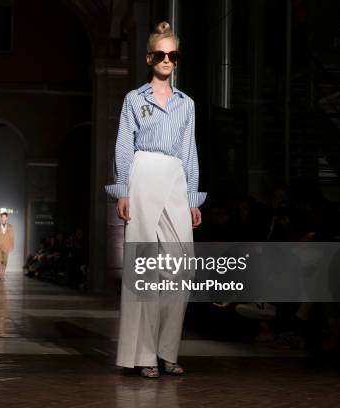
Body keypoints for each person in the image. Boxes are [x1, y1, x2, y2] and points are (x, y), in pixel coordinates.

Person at [105, 21, 206, 378]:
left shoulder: (187, 104)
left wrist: (193, 198)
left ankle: (168, 351)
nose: (167, 59)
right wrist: (124, 190)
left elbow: (189, 150)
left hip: (176, 178)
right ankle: (145, 355)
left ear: (177, 60)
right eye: (160, 54)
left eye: (173, 55)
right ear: (150, 58)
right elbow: (123, 145)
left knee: (181, 268)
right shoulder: (134, 99)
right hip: (143, 173)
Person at [0, 212, 14, 280]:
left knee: (5, 261)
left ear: (7, 218)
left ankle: (3, 273)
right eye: (2, 217)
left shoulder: (10, 226)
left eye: (5, 217)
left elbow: (12, 237)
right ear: (1, 217)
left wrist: (12, 246)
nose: (3, 218)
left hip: (7, 245)